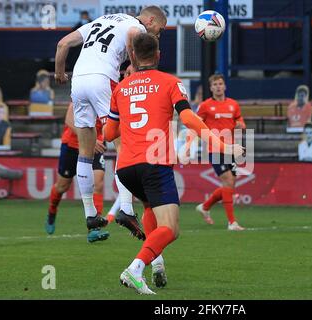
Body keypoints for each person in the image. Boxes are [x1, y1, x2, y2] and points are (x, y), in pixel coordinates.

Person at [104, 33, 244, 294]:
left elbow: (109, 134)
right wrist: (224, 146)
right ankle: (135, 269)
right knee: (171, 228)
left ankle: (156, 263)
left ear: (133, 56)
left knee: (149, 208)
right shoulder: (171, 82)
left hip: (125, 168)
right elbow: (189, 119)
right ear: (158, 55)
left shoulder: (120, 89)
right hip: (154, 162)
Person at [54, 6, 167, 238]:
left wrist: (59, 73)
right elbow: (131, 37)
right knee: (124, 142)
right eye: (160, 29)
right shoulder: (136, 26)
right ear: (151, 19)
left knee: (85, 149)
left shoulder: (99, 21)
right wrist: (135, 68)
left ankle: (90, 214)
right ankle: (126, 208)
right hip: (102, 79)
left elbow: (63, 44)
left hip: (79, 81)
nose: (157, 34)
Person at [45, 103, 109, 242]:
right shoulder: (82, 93)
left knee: (97, 183)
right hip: (72, 146)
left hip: (95, 146)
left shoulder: (106, 96)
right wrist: (90, 139)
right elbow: (69, 120)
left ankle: (94, 229)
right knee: (62, 186)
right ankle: (52, 211)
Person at [194, 74, 246, 231]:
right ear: (210, 88)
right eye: (215, 84)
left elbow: (240, 120)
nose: (218, 86)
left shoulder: (233, 104)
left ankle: (205, 206)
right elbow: (196, 123)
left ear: (225, 86)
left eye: (220, 84)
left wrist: (240, 125)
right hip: (215, 149)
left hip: (230, 148)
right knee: (228, 181)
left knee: (229, 184)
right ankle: (232, 223)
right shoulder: (205, 106)